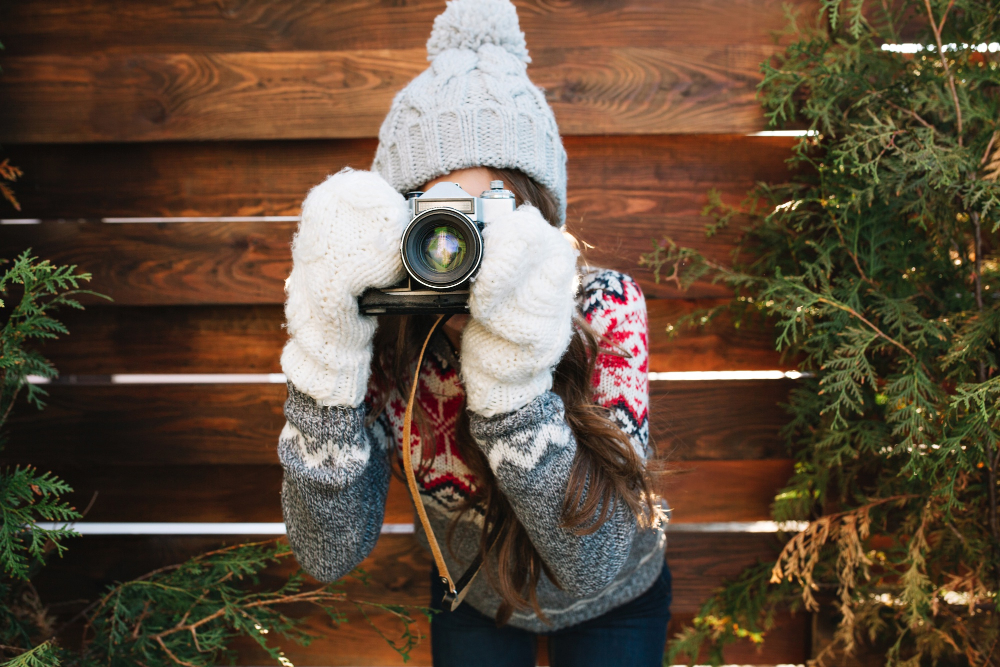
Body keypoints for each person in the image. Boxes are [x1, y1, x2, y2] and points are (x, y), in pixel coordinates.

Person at [276, 1, 671, 665]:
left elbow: (595, 563)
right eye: (440, 217)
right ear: (398, 226)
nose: (462, 247)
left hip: (617, 596)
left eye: (491, 213)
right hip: (473, 594)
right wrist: (327, 356)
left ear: (542, 219)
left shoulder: (603, 305)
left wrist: (514, 379)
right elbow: (327, 553)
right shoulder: (389, 335)